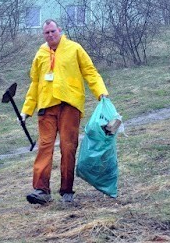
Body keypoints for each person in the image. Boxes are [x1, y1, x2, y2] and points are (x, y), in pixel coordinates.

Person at [20, 19, 108, 205]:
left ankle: (67, 191)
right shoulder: (40, 55)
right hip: (46, 107)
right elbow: (35, 83)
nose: (50, 35)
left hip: (70, 105)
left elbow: (90, 73)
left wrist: (101, 93)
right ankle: (41, 190)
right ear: (43, 35)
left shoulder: (74, 49)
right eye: (47, 33)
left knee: (68, 147)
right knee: (45, 147)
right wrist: (27, 110)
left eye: (53, 31)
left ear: (59, 30)